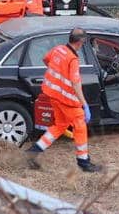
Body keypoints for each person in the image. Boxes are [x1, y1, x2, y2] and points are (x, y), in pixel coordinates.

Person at [25, 27, 101, 172]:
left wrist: (58, 72)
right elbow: (75, 83)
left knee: (59, 126)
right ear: (80, 42)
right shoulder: (73, 59)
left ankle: (33, 152)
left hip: (53, 95)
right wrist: (85, 105)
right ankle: (83, 162)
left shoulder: (59, 49)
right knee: (80, 126)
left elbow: (45, 59)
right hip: (66, 99)